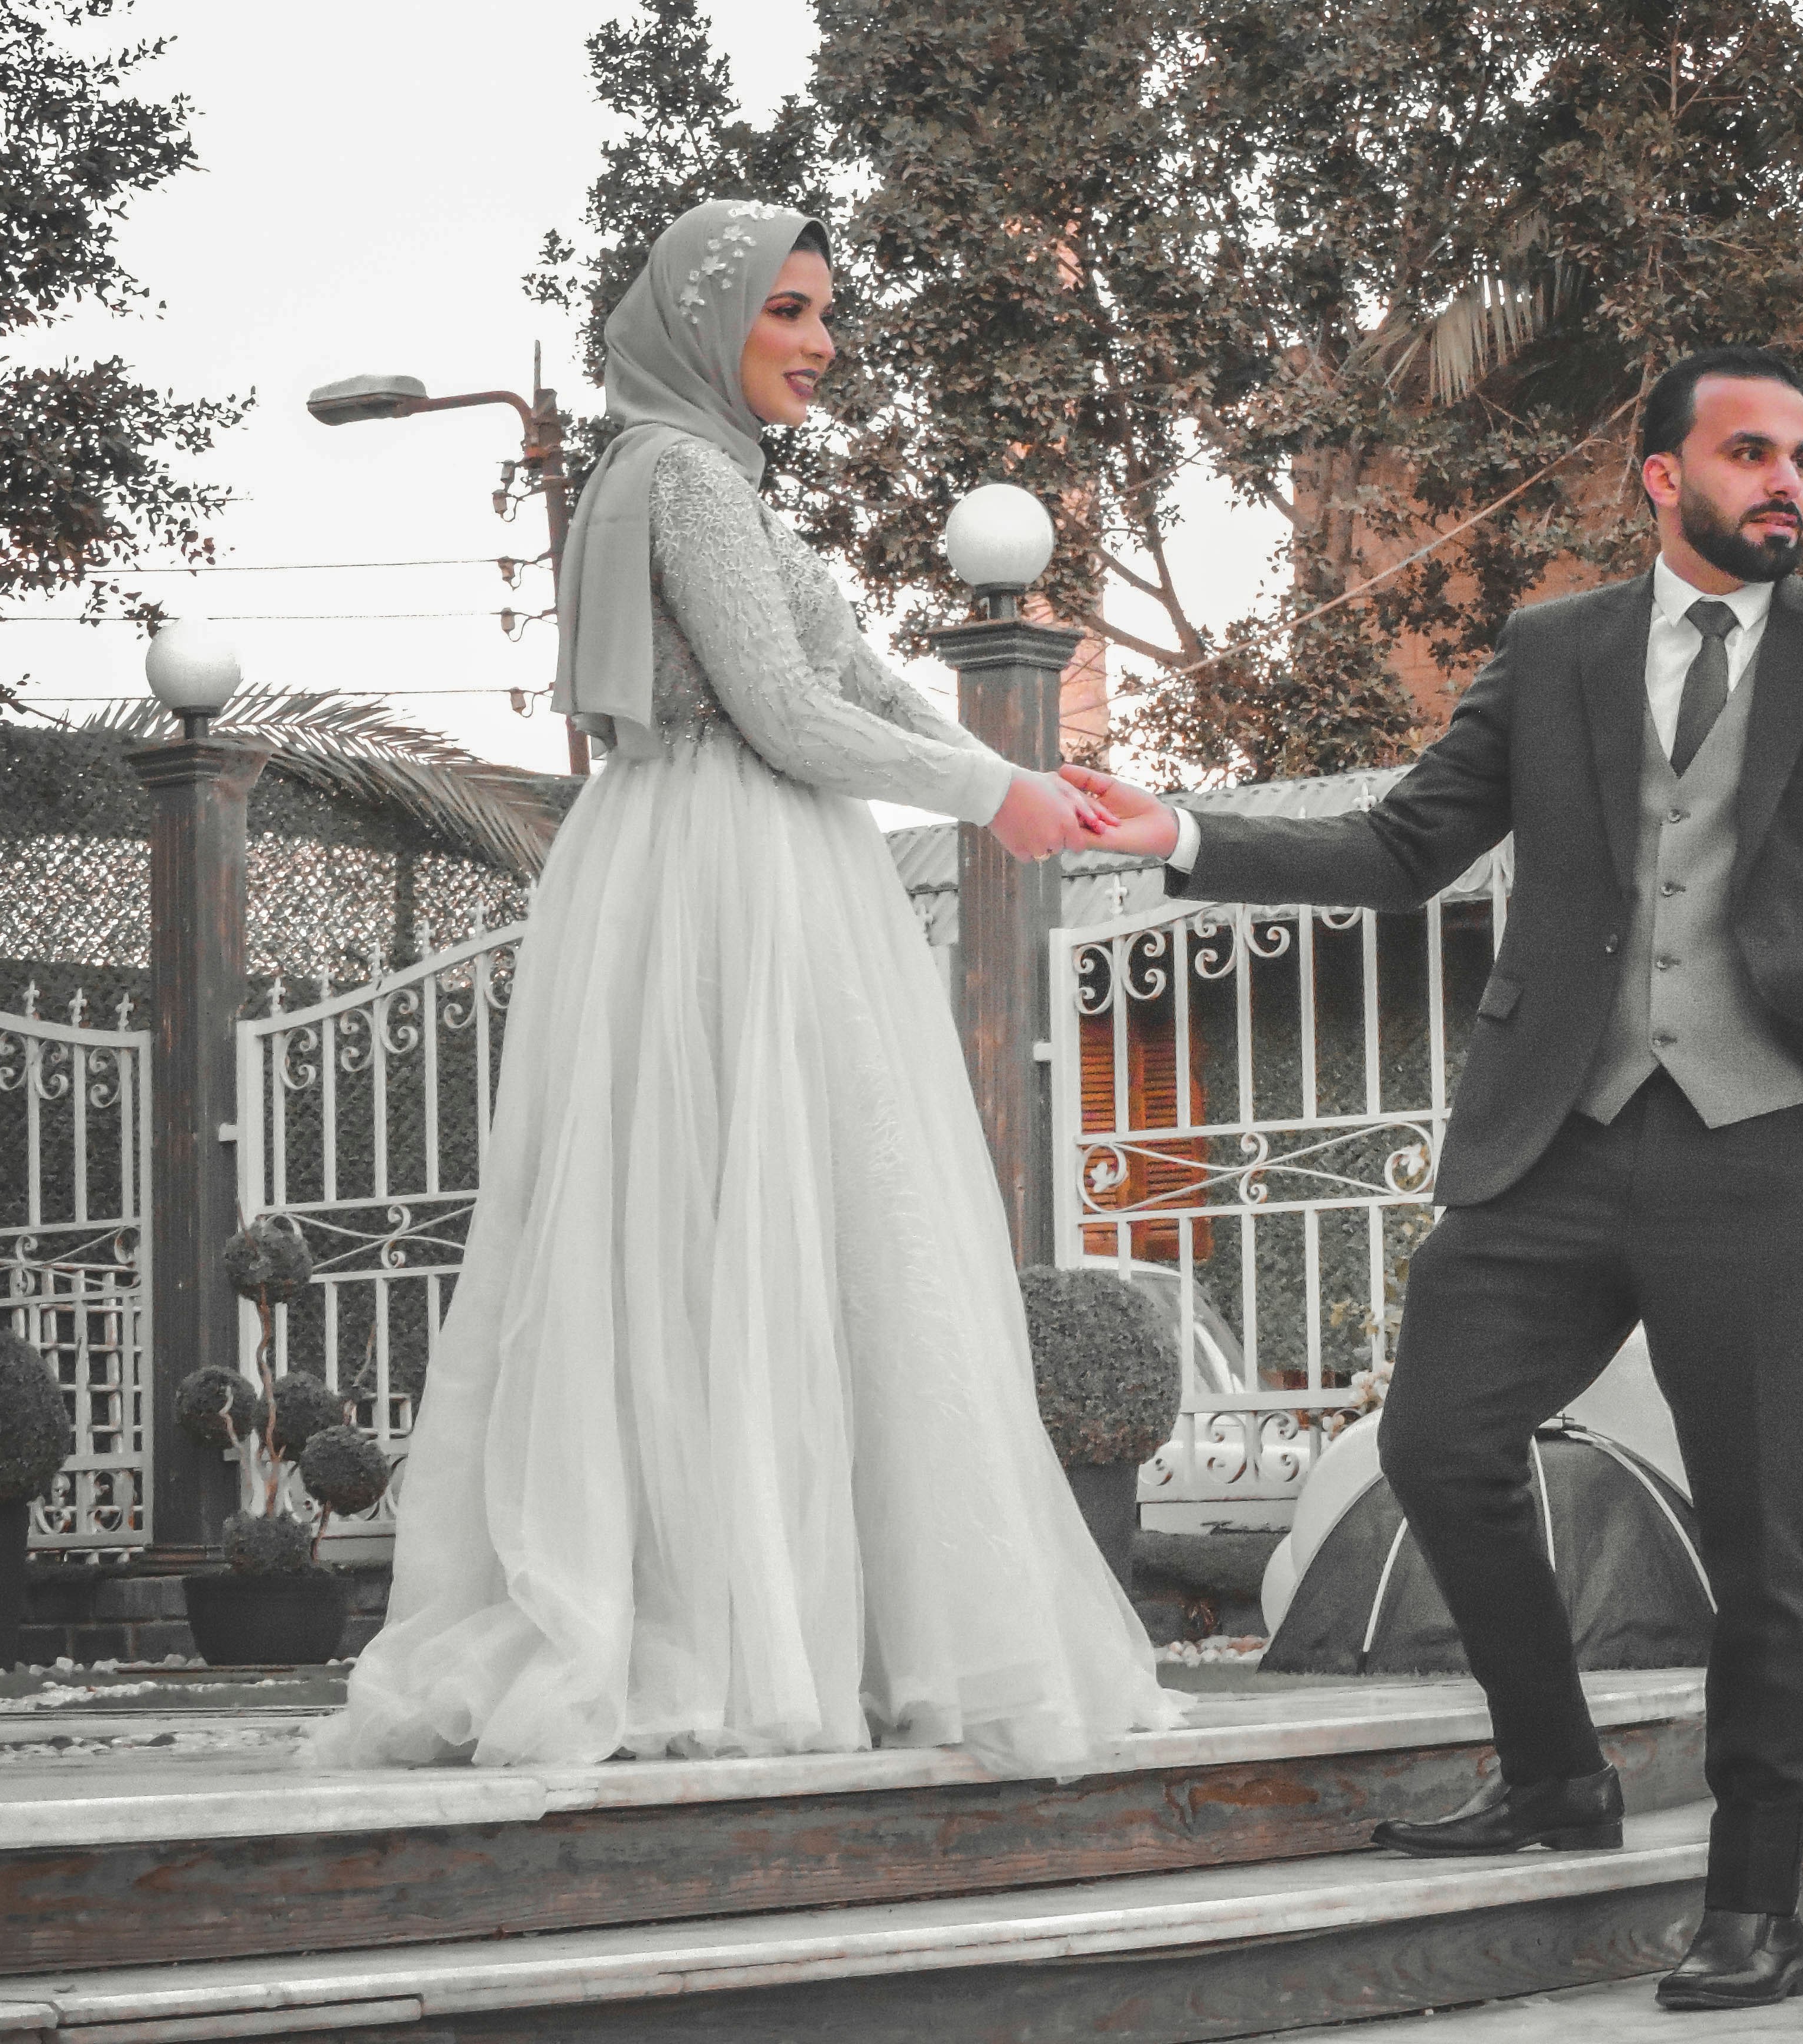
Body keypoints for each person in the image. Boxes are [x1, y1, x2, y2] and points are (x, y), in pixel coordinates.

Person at [1067, 346, 1803, 2011]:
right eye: (1752, 453)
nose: (1789, 482)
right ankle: (1559, 1776)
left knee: (1775, 1530)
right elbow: (1410, 841)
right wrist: (1181, 839)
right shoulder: (1558, 647)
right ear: (1662, 475)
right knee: (1437, 1441)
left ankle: (1755, 1903)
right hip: (1553, 1132)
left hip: (1773, 1145)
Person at [313, 200, 1175, 1774]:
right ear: (711, 323)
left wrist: (1017, 767)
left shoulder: (722, 483)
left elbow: (854, 681)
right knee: (722, 1230)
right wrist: (995, 801)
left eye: (823, 313)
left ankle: (803, 1621)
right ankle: (712, 1628)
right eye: (789, 311)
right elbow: (784, 714)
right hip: (727, 869)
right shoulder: (682, 474)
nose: (820, 343)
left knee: (808, 1238)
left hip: (761, 865)